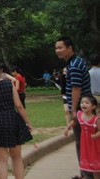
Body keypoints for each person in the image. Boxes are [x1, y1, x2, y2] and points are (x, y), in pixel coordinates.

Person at [56, 36, 92, 179]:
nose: (57, 50)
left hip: (81, 110)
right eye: (56, 48)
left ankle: (87, 174)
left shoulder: (75, 65)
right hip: (82, 109)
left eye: (60, 47)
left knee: (82, 143)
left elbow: (76, 89)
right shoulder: (72, 63)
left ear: (69, 48)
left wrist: (73, 111)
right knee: (82, 142)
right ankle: (86, 173)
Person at [65, 95, 100, 178]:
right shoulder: (79, 115)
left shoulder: (96, 119)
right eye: (82, 102)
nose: (83, 104)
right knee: (88, 162)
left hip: (95, 145)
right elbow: (74, 122)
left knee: (96, 165)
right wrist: (67, 128)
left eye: (87, 103)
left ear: (93, 106)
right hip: (85, 144)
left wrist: (96, 135)